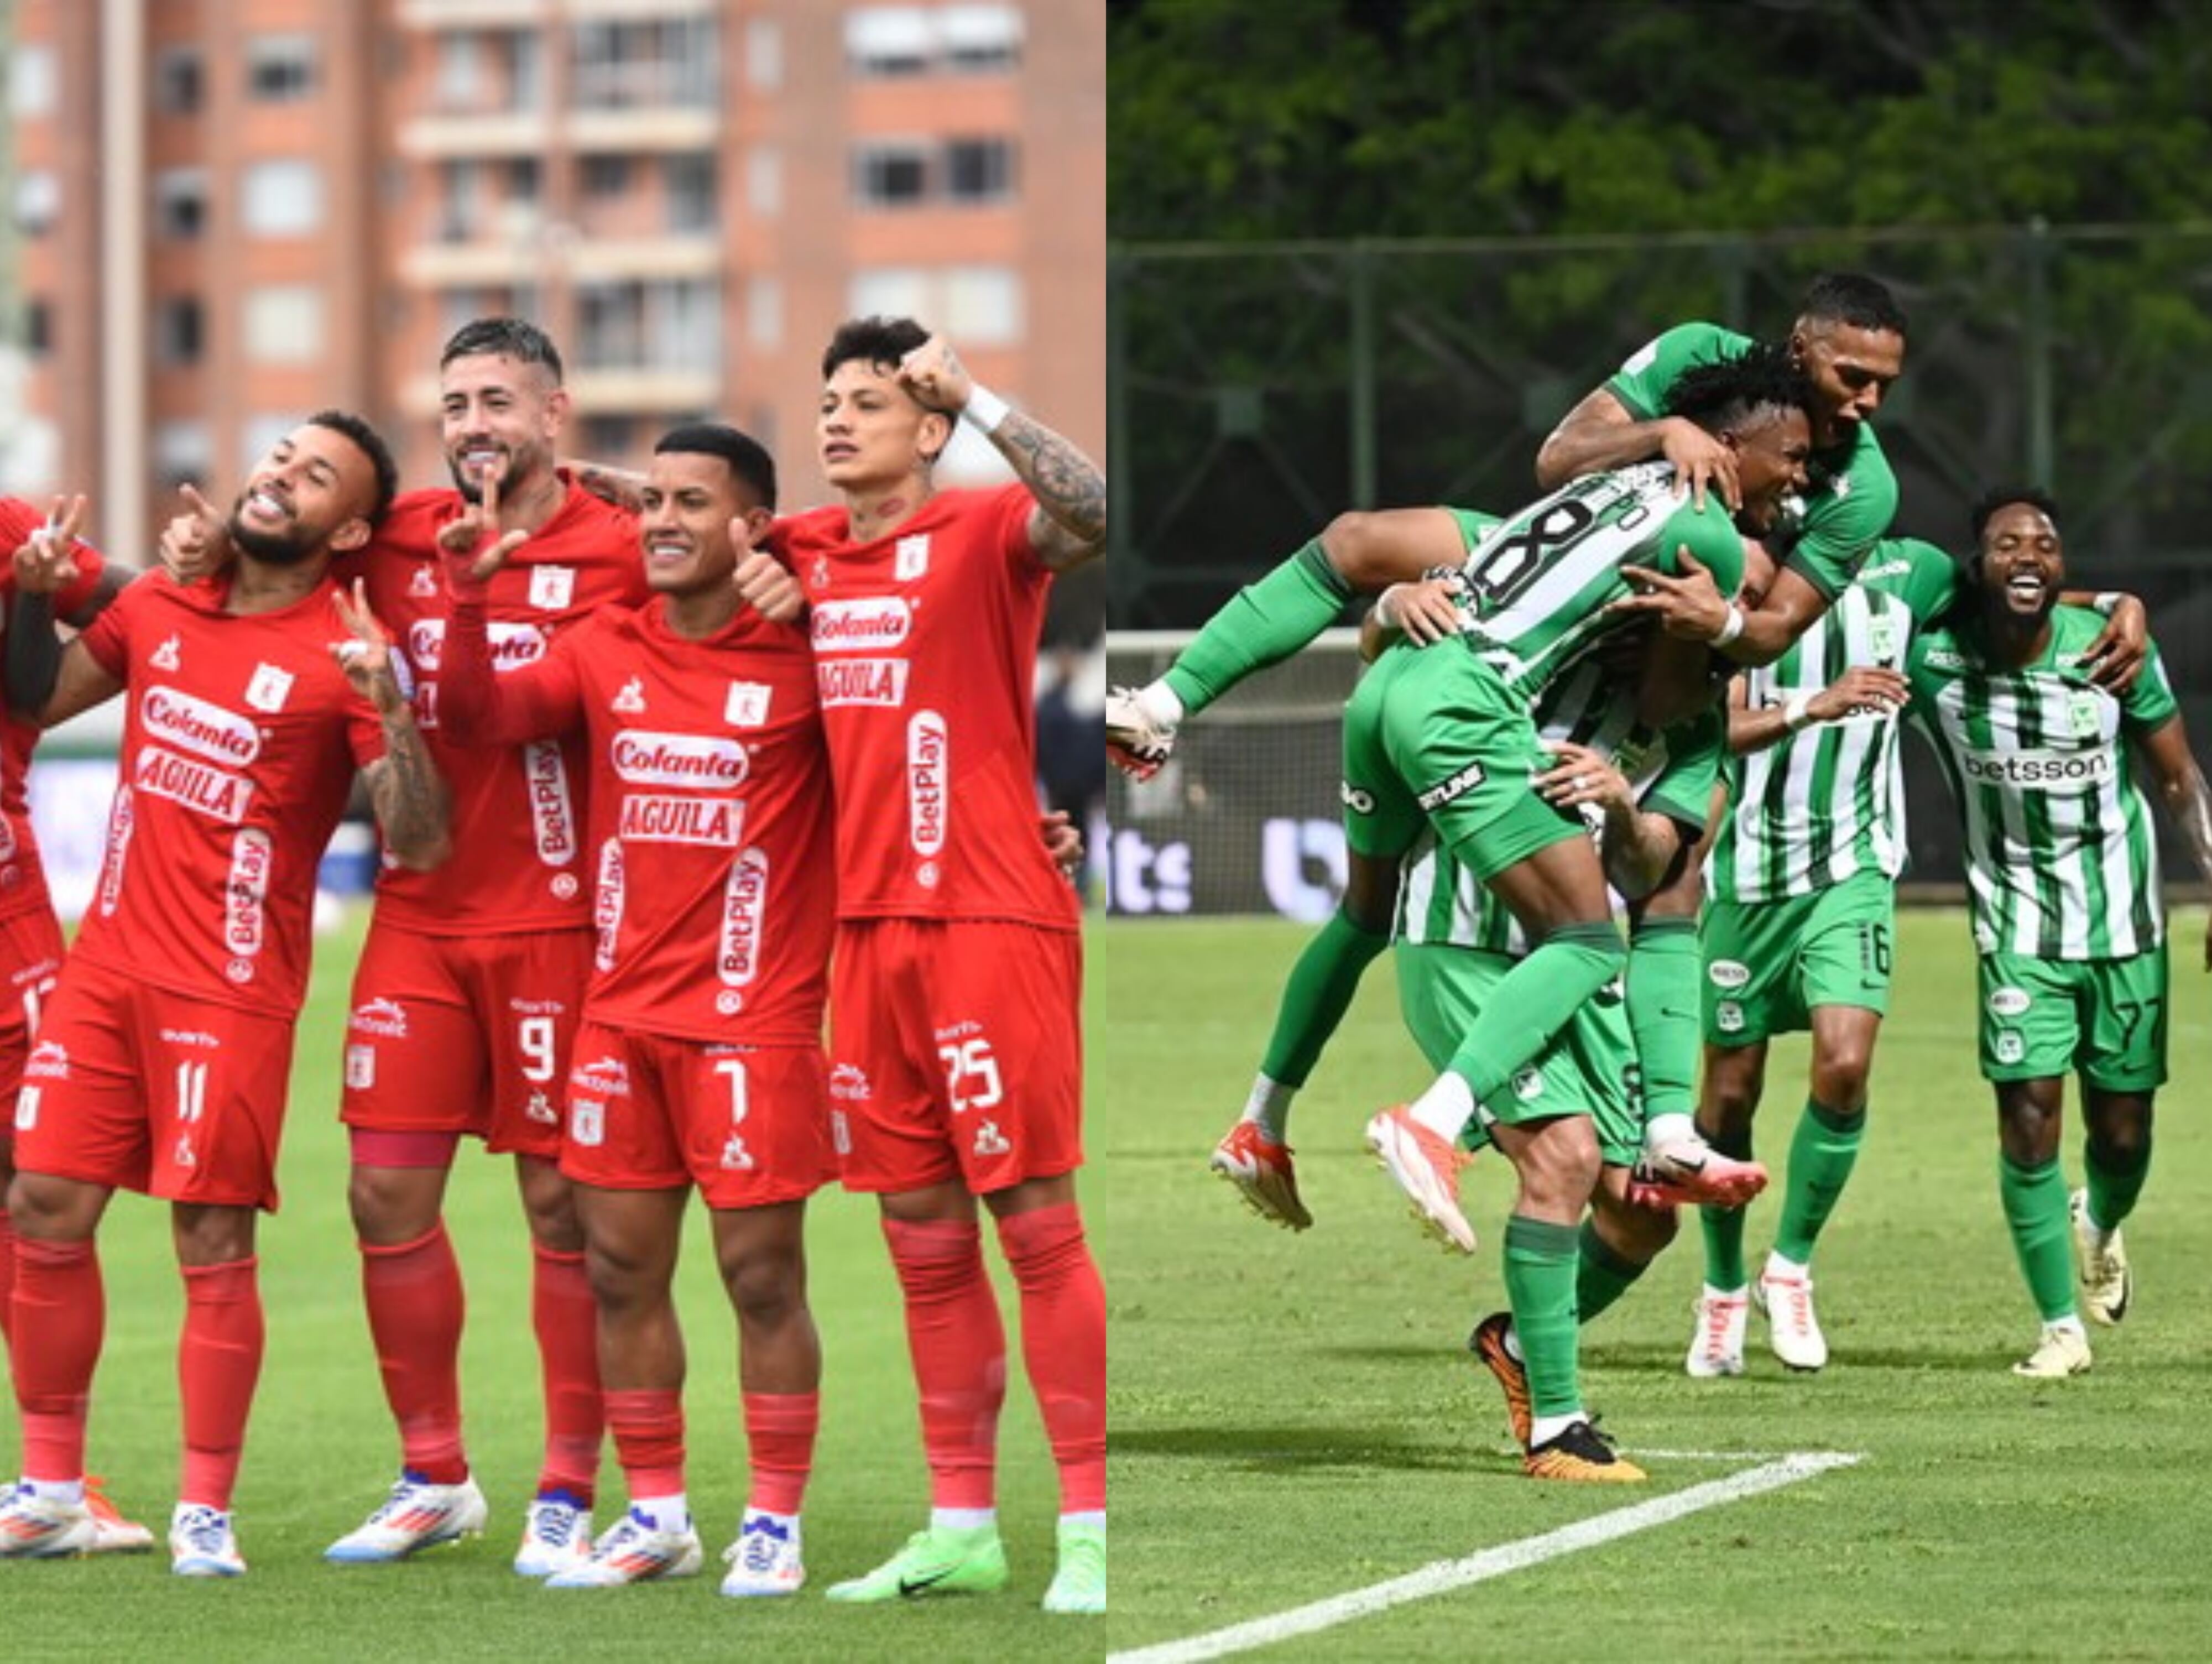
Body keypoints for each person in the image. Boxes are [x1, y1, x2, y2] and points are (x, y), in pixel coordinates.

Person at [0, 413, 448, 1576]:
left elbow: (419, 835)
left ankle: (206, 1507)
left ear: (346, 526)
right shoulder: (159, 604)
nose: (278, 477)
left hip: (232, 989)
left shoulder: (341, 648)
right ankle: (49, 1484)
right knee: (44, 1203)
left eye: (313, 476)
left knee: (210, 1235)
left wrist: (389, 703)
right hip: (107, 968)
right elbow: (36, 703)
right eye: (278, 457)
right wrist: (28, 598)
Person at [434, 423, 837, 1593]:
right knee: (618, 1269)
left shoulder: (802, 654)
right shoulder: (605, 642)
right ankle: (656, 1510)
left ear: (753, 527)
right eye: (651, 499)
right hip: (617, 1019)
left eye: (692, 502)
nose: (659, 519)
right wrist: (469, 600)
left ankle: (774, 1516)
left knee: (762, 1276)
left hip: (751, 1020)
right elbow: (479, 719)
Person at [762, 317, 1106, 1614]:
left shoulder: (981, 531)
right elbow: (682, 520)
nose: (839, 419)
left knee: (1034, 1223)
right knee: (918, 1239)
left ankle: (1088, 1524)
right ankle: (961, 1521)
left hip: (986, 917)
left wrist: (979, 397)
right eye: (828, 402)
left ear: (925, 427)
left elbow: (1091, 510)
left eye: (869, 401)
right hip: (866, 935)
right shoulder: (799, 553)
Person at [1339, 343, 1812, 1259]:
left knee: (1641, 1214)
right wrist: (1392, 605)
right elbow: (1417, 635)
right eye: (1728, 584)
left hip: (1569, 973)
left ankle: (1535, 1376)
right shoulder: (1585, 592)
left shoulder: (1695, 725)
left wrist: (1625, 808)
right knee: (1560, 1162)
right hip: (1469, 934)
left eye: (1747, 603)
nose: (1733, 602)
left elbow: (1659, 882)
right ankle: (1406, 1119)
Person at [312, 320, 638, 1572]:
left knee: (561, 1205)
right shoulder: (393, 539)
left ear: (557, 413)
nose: (472, 423)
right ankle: (433, 1473)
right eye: (453, 404)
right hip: (417, 911)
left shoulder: (620, 542)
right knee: (383, 1191)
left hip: (560, 922)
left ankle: (566, 1483)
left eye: (497, 398)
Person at [1905, 487, 2212, 1377]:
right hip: (2015, 931)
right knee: (2028, 1118)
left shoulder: (2115, 654)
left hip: (2125, 925)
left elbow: (2182, 778)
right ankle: (2058, 1328)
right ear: (1980, 565)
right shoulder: (1936, 664)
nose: (2028, 555)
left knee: (2122, 1137)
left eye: (2044, 542)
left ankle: (2101, 1220)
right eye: (2007, 545)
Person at [0, 498, 151, 1555]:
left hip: (6, 926)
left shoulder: (8, 523)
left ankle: (55, 1485)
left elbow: (148, 610)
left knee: (35, 1191)